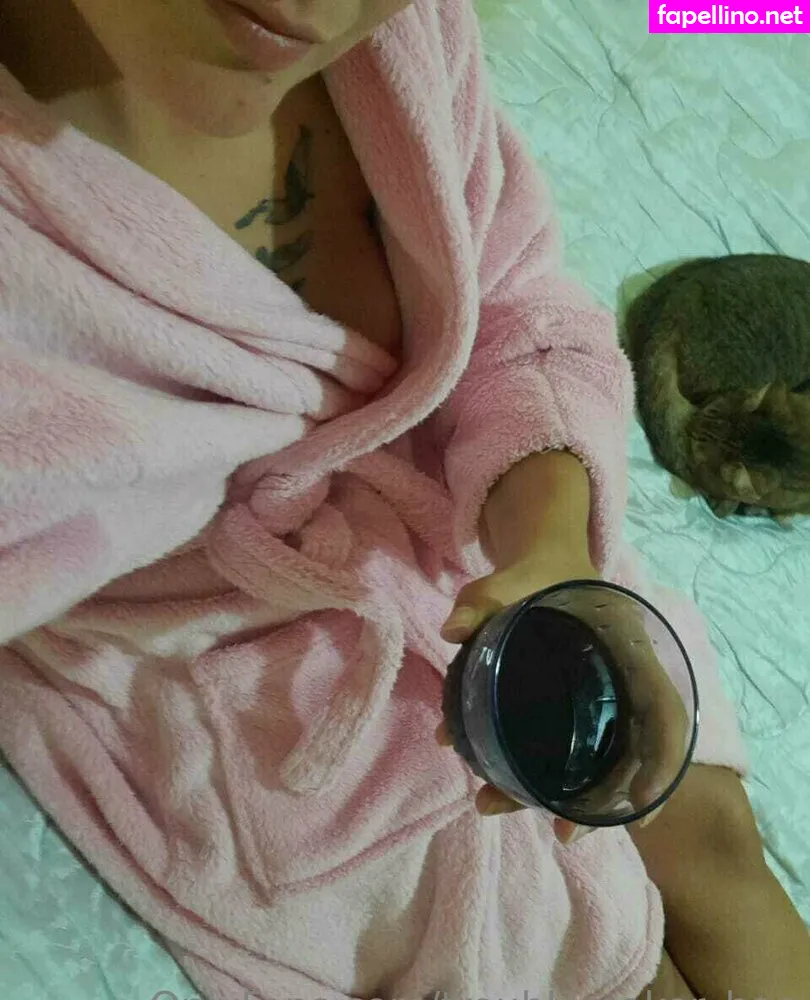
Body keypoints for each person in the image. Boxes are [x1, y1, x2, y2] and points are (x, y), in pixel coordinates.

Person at [0, 1, 806, 998]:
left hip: (504, 517)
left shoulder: (406, 39)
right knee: (602, 968)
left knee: (716, 842)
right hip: (253, 648)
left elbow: (515, 299)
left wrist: (553, 547)